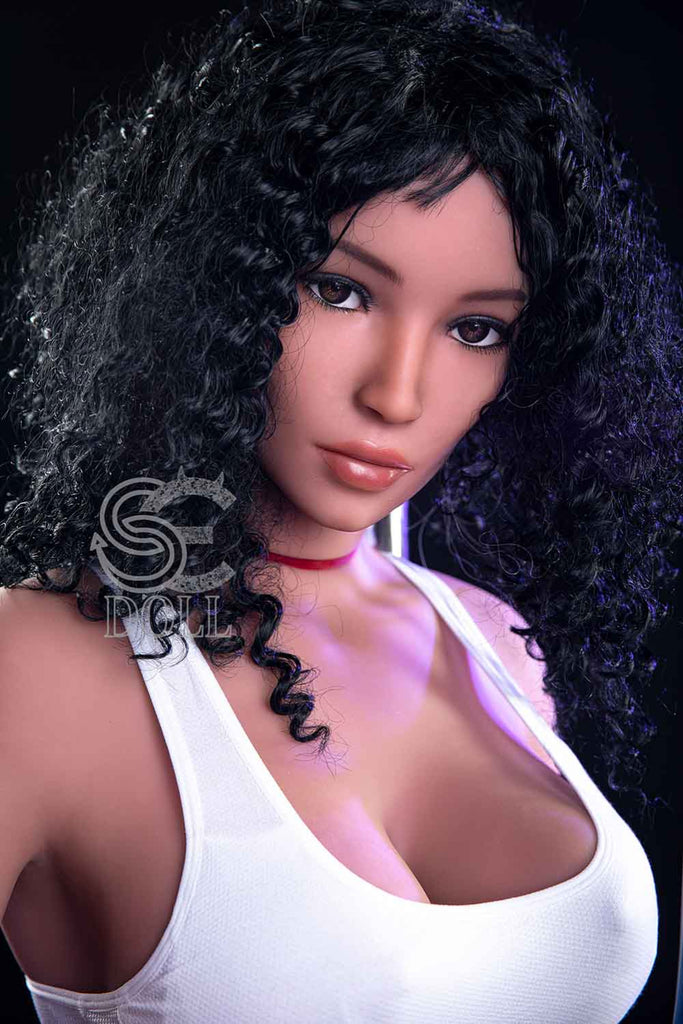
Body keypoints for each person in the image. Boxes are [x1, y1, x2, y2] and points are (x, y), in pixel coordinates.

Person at [0, 1, 680, 1020]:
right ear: (214, 277)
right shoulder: (35, 667)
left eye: (475, 329)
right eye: (342, 290)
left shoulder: (496, 643)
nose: (397, 395)